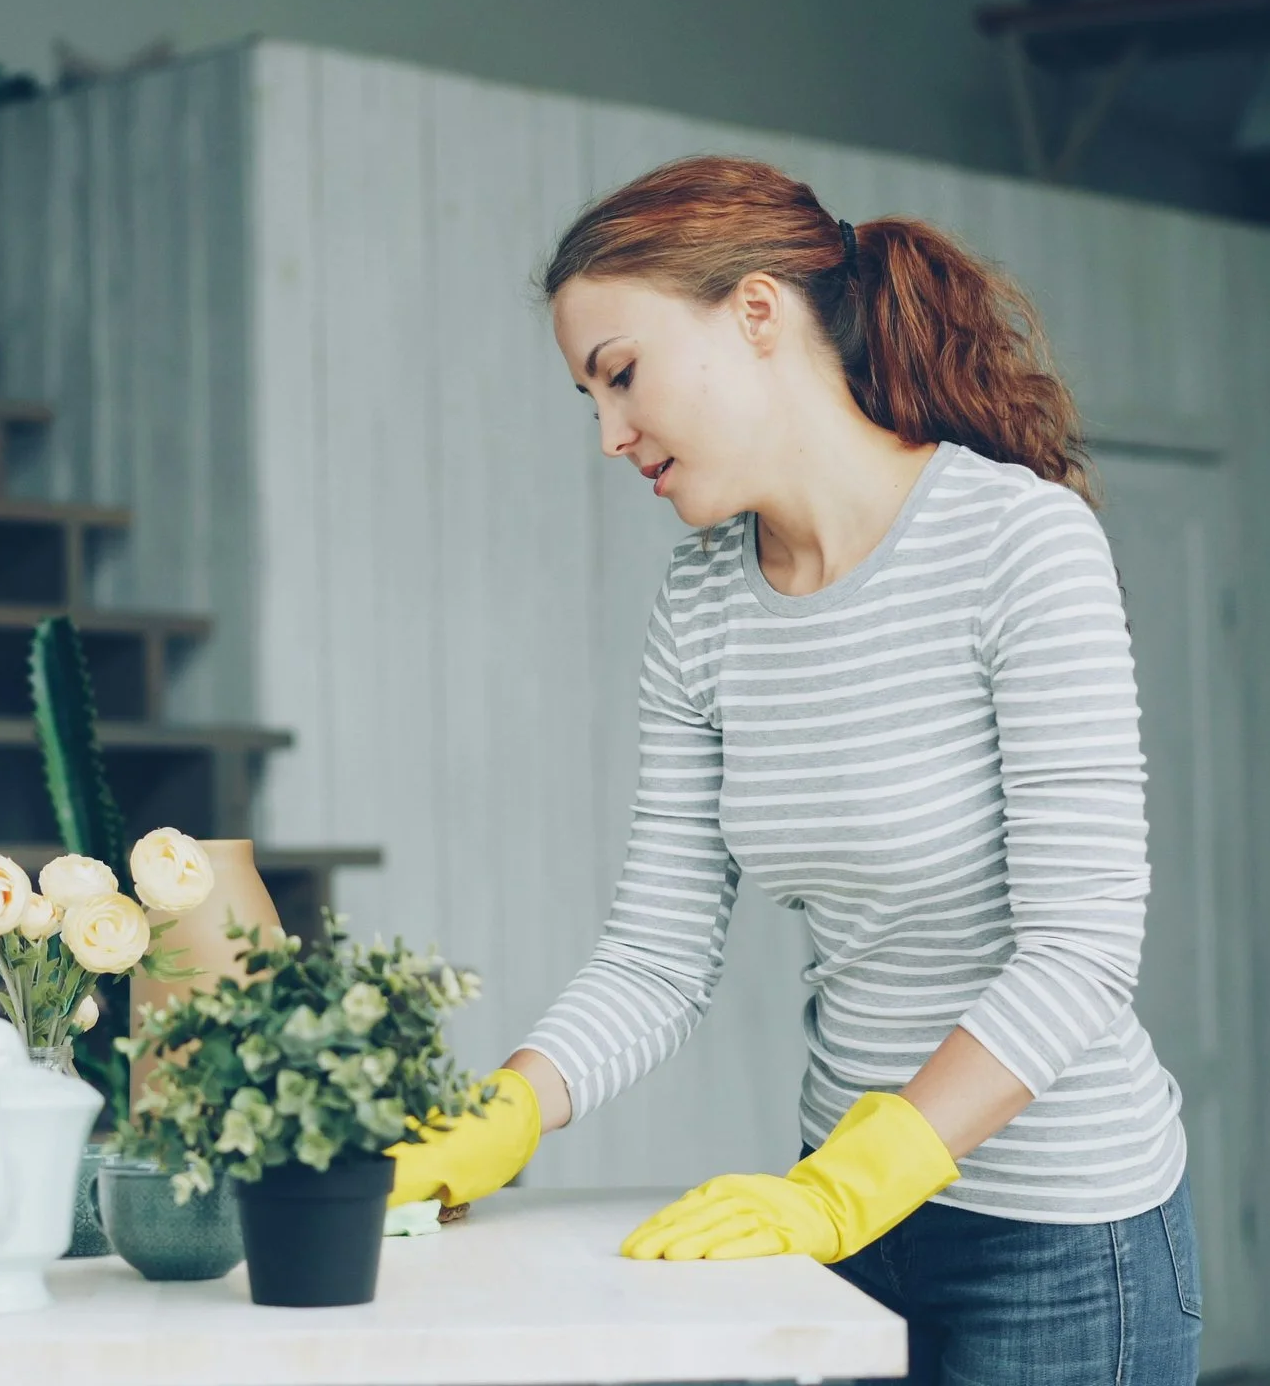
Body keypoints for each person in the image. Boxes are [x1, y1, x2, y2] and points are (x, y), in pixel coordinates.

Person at [383, 155, 1201, 1385]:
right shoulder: (704, 600)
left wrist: (856, 1182)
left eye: (621, 376)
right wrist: (510, 1107)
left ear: (757, 313)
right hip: (843, 1228)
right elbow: (658, 953)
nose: (609, 437)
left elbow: (1080, 951)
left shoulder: (1017, 542)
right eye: (588, 400)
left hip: (1061, 1239)